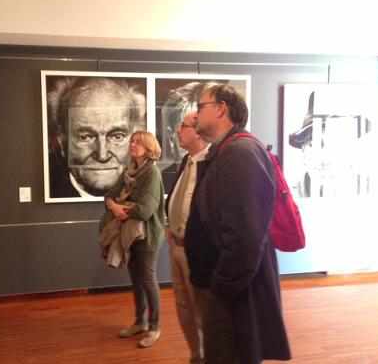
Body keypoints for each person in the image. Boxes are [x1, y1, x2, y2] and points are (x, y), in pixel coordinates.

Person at [185, 83, 291, 363]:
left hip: (230, 292)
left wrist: (222, 288)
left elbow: (244, 236)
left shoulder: (239, 153)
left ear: (221, 108)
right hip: (222, 285)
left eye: (200, 106)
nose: (195, 116)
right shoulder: (226, 151)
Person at [104, 131, 166, 348]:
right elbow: (109, 195)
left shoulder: (152, 173)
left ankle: (154, 326)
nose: (133, 144)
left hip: (147, 234)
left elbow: (146, 210)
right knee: (136, 280)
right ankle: (140, 322)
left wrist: (122, 209)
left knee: (148, 280)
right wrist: (114, 206)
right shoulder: (129, 170)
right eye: (132, 141)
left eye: (138, 142)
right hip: (130, 234)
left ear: (149, 147)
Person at [47, 77, 146, 198]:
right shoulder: (53, 188)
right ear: (62, 142)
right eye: (85, 137)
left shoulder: (146, 188)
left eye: (117, 136)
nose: (102, 155)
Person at [165, 112, 209, 363]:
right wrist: (169, 222)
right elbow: (178, 197)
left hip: (196, 251)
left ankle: (207, 356)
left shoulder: (211, 164)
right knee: (183, 307)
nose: (178, 131)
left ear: (198, 131)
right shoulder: (187, 160)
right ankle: (196, 355)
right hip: (176, 246)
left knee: (201, 309)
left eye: (182, 126)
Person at [159, 81, 213, 192]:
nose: (179, 131)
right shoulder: (163, 178)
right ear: (171, 137)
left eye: (184, 126)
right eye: (180, 126)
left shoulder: (217, 171)